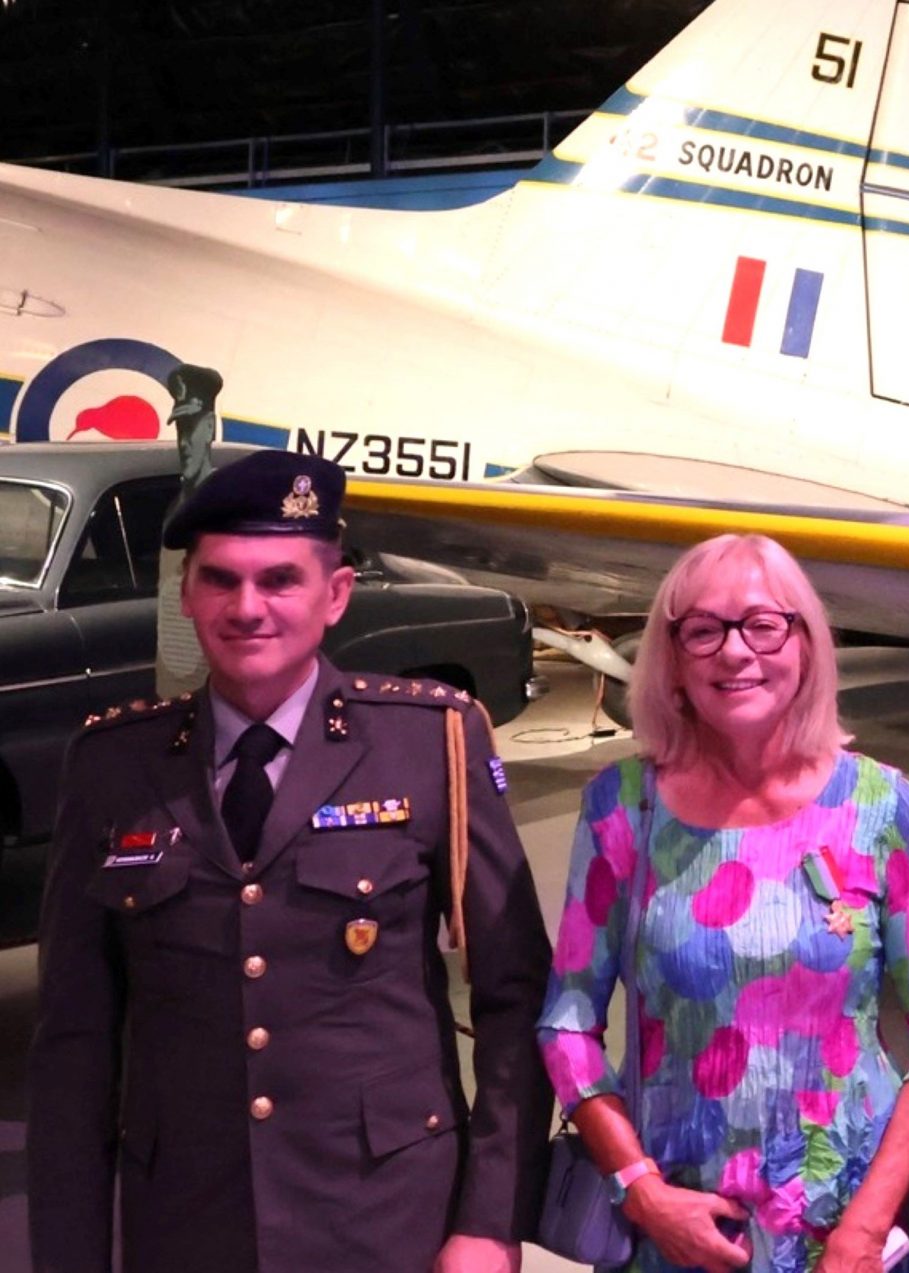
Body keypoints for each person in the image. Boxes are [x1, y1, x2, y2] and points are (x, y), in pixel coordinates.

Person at [29, 448, 553, 1272]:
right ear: (186, 594)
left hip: (387, 1219)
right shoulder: (115, 766)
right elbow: (73, 1041)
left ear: (335, 593)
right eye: (220, 579)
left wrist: (490, 1220)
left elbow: (515, 995)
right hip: (189, 1227)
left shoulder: (429, 742)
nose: (248, 607)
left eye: (279, 580)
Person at [537, 532, 909, 1273]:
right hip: (679, 1234)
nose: (736, 652)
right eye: (704, 630)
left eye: (764, 625)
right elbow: (567, 1023)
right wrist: (641, 1191)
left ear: (806, 645)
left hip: (851, 1241)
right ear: (672, 659)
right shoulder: (623, 807)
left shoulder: (880, 805)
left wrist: (866, 1229)